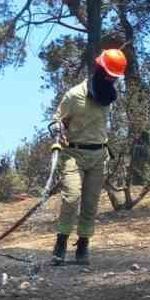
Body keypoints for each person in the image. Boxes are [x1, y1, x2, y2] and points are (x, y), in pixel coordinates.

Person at [49, 47, 127, 267]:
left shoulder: (108, 96)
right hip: (74, 154)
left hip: (98, 155)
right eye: (110, 75)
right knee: (72, 197)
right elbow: (56, 120)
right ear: (100, 69)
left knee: (91, 203)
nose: (112, 80)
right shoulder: (74, 95)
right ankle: (61, 242)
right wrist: (57, 131)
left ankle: (83, 244)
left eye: (116, 77)